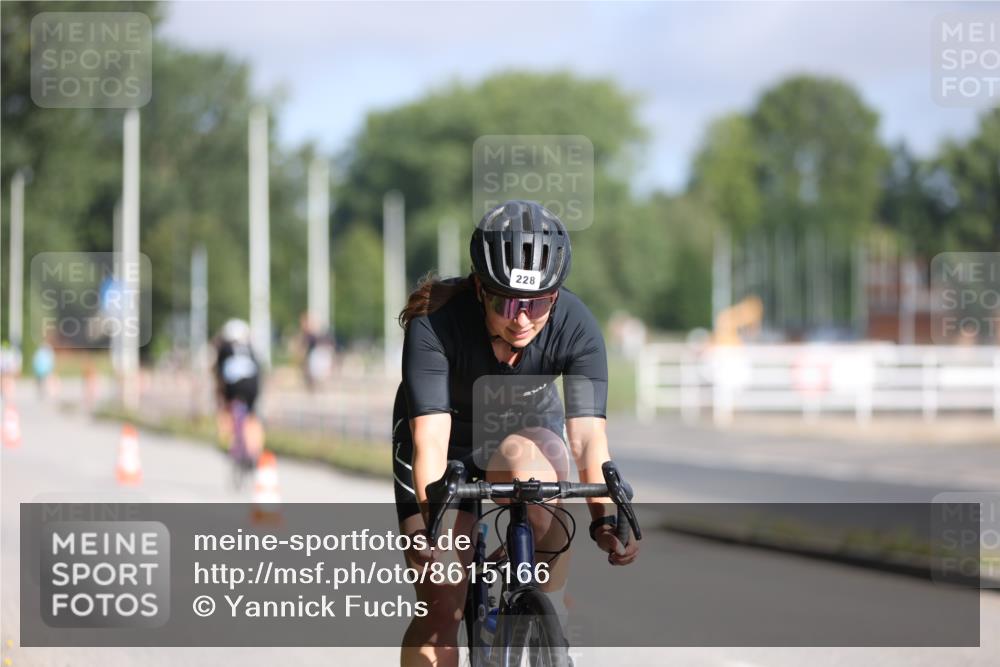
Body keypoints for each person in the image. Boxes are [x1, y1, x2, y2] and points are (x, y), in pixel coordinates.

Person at [392, 200, 639, 666]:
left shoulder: (576, 326)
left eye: (538, 303)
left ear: (556, 296)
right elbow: (430, 444)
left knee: (542, 495)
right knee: (443, 604)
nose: (522, 319)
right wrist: (439, 533)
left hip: (521, 432)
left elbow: (587, 440)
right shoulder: (436, 326)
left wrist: (605, 517)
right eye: (507, 301)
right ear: (480, 288)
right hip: (445, 444)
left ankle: (546, 613)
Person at [212, 319, 264, 462]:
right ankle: (255, 450)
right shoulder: (250, 349)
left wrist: (219, 396)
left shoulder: (224, 348)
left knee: (226, 410)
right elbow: (259, 371)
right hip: (252, 384)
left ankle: (226, 441)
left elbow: (218, 373)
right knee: (252, 417)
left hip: (233, 386)